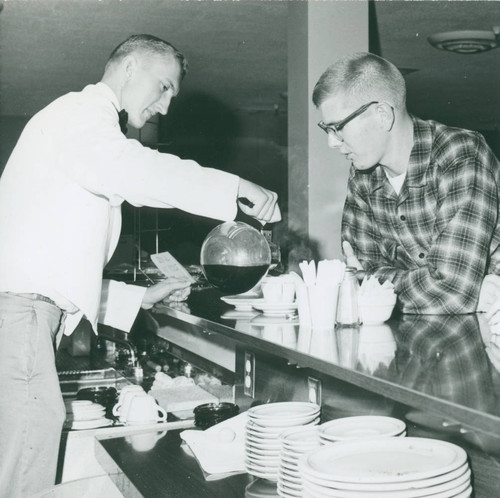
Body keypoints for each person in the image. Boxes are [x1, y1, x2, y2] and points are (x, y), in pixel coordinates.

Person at [0, 34, 281, 497]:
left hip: (24, 314)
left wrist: (138, 297)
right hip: (22, 317)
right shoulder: (81, 114)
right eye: (164, 86)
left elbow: (51, 265)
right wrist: (235, 188)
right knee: (24, 469)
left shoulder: (79, 128)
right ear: (130, 68)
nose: (166, 106)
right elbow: (138, 171)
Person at [312, 52, 500, 316]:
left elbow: (453, 293)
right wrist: (437, 284)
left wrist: (374, 285)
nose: (332, 142)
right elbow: (359, 272)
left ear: (382, 115)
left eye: (338, 127)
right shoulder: (363, 177)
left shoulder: (460, 154)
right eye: (327, 129)